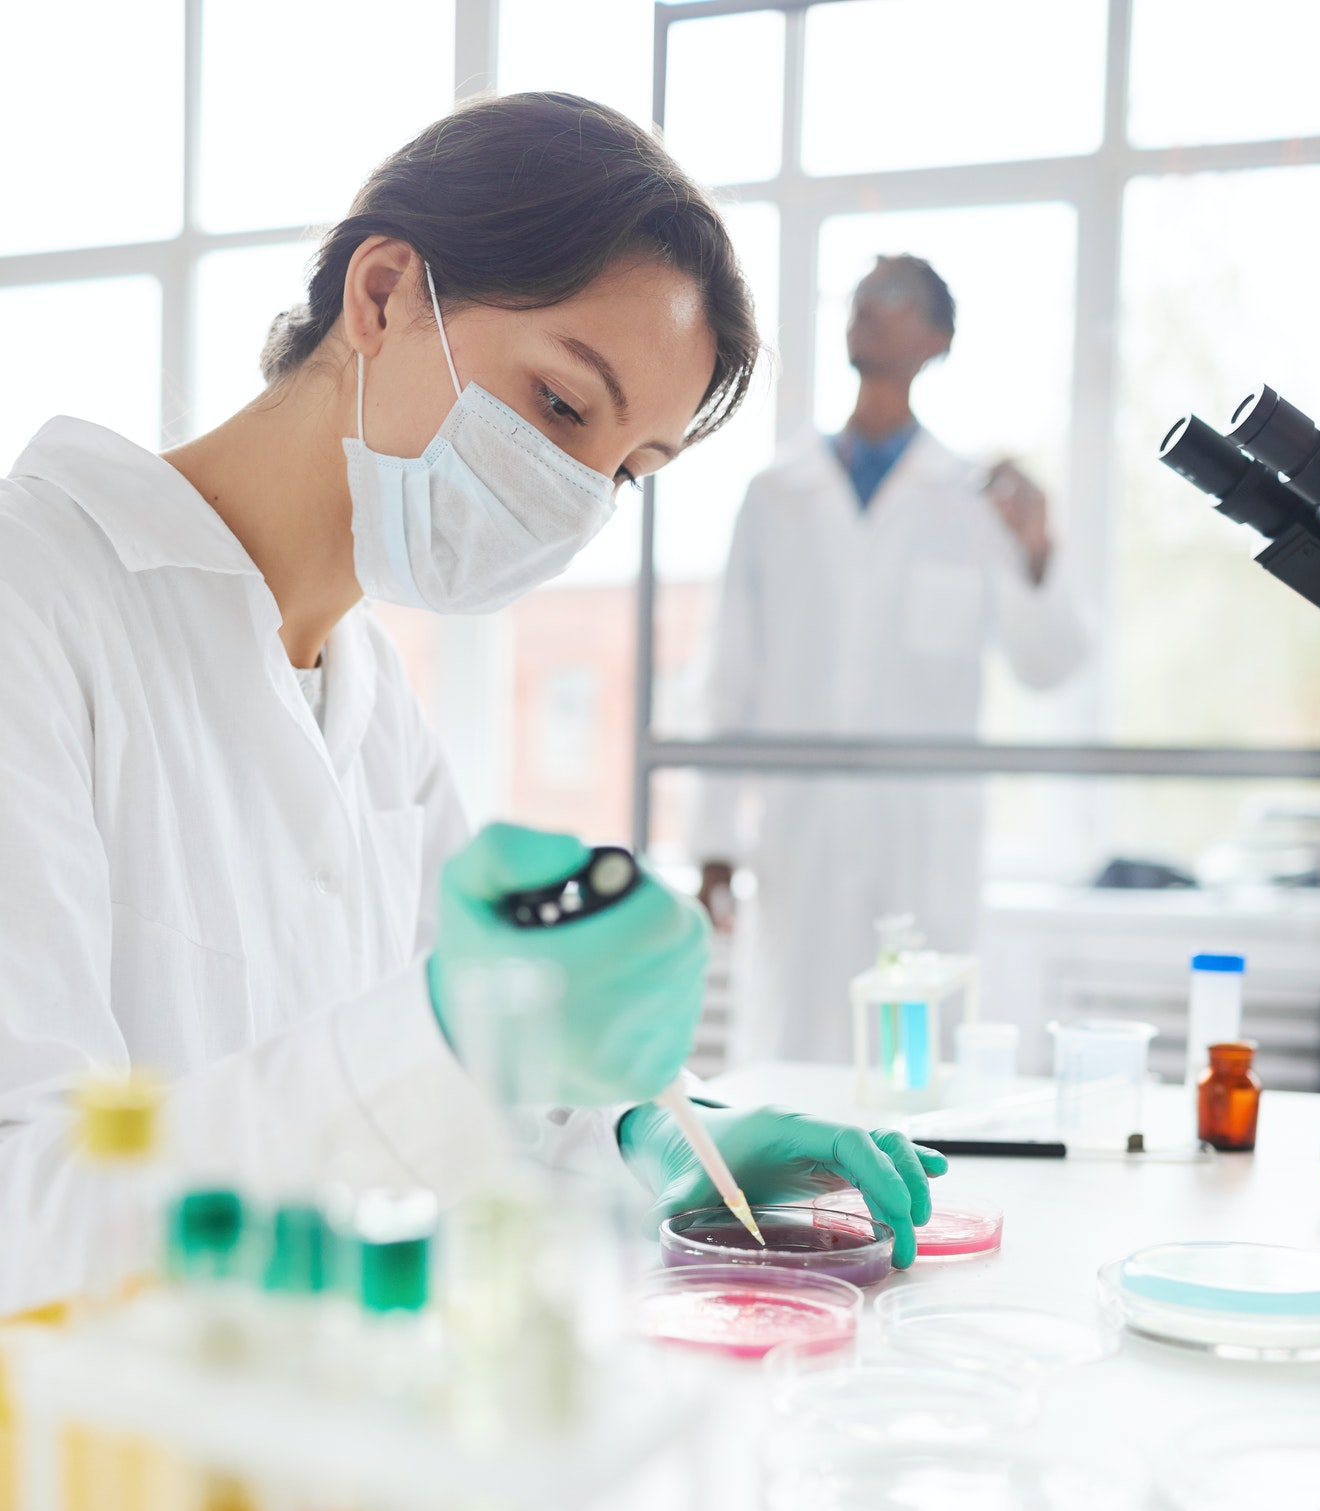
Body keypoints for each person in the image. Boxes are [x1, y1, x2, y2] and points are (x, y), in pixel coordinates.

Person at [0, 95, 943, 1315]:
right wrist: (459, 1026)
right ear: (383, 293)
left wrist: (637, 1137)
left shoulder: (367, 692)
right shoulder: (36, 596)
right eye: (560, 405)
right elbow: (29, 1210)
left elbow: (477, 1113)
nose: (570, 494)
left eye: (622, 471)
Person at [695, 252, 1088, 1062]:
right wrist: (713, 840)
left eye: (896, 294)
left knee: (913, 1059)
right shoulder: (775, 496)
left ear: (937, 339)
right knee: (793, 1048)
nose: (870, 305)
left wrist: (1037, 544)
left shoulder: (976, 503)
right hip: (799, 828)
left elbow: (1046, 664)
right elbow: (729, 675)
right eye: (861, 291)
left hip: (923, 834)